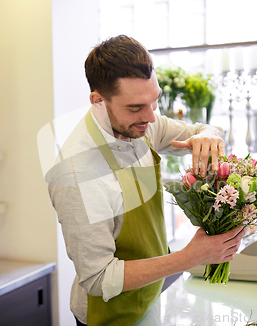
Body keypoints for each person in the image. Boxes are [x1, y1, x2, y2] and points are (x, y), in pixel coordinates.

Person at [46, 35, 246, 326]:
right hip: (111, 316)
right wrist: (190, 257)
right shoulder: (76, 173)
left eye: (154, 100)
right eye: (136, 107)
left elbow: (203, 128)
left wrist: (209, 137)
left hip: (151, 296)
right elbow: (99, 278)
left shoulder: (139, 125)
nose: (151, 117)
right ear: (98, 100)